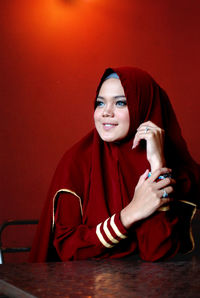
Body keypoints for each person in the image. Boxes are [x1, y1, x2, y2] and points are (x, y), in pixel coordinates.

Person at [29, 67, 200, 262]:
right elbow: (69, 250)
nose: (105, 113)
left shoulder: (177, 169)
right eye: (100, 103)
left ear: (143, 107)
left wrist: (156, 164)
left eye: (120, 103)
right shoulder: (76, 163)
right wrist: (129, 214)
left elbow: (159, 253)